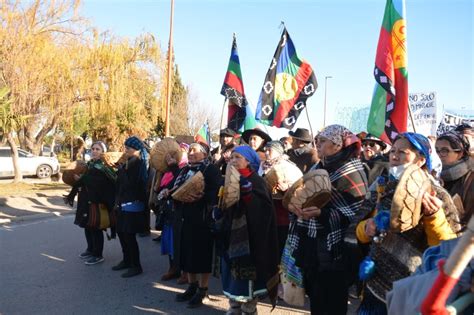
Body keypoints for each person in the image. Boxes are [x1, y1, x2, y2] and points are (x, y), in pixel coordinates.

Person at [356, 132, 459, 314]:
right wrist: (367, 228)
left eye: (403, 152)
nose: (394, 156)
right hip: (374, 285)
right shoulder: (382, 186)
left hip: (410, 288)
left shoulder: (438, 195)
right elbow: (359, 231)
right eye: (393, 151)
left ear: (420, 160)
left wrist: (434, 215)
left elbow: (446, 247)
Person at [287, 124, 368, 315]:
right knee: (317, 299)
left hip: (337, 252)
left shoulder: (352, 172)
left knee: (333, 302)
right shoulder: (319, 166)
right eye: (318, 140)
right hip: (312, 245)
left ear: (337, 145)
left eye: (323, 141)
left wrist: (322, 214)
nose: (318, 145)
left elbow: (356, 215)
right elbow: (305, 194)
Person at [214, 146, 280, 315]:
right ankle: (234, 308)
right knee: (231, 275)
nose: (233, 160)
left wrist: (248, 197)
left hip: (250, 240)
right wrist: (219, 210)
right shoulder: (227, 178)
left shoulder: (257, 181)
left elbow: (264, 211)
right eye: (232, 157)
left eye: (238, 157)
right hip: (230, 236)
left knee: (247, 279)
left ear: (248, 161)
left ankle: (249, 310)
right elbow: (222, 202)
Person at [172, 142, 221, 308]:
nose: (191, 153)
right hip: (184, 217)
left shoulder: (210, 170)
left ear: (204, 154)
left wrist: (201, 196)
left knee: (201, 255)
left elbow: (216, 192)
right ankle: (191, 286)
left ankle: (202, 289)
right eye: (189, 150)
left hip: (202, 219)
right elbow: (177, 188)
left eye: (194, 150)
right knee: (187, 253)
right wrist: (169, 193)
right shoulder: (184, 169)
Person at [65, 141, 116, 265]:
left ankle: (98, 254)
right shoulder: (89, 165)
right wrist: (78, 180)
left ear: (103, 152)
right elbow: (86, 181)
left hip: (97, 202)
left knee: (95, 228)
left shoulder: (104, 167)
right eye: (93, 148)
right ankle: (90, 249)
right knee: (87, 226)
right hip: (86, 201)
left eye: (98, 149)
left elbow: (100, 183)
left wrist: (83, 179)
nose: (94, 151)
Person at [112, 136, 149, 278]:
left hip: (133, 204)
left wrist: (121, 170)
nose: (125, 150)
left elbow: (132, 184)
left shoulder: (138, 163)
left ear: (137, 150)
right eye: (125, 147)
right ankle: (126, 260)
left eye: (128, 148)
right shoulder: (128, 162)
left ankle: (136, 265)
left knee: (129, 236)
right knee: (122, 233)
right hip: (123, 203)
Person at [259, 141, 302, 257]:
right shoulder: (262, 166)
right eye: (265, 150)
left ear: (278, 151)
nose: (266, 153)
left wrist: (285, 189)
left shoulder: (288, 167)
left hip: (283, 215)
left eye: (270, 150)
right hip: (267, 212)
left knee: (279, 248)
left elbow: (299, 190)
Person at [436, 130, 473, 228]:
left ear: (460, 153)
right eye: (436, 150)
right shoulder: (433, 175)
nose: (439, 155)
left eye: (444, 151)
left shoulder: (470, 178)